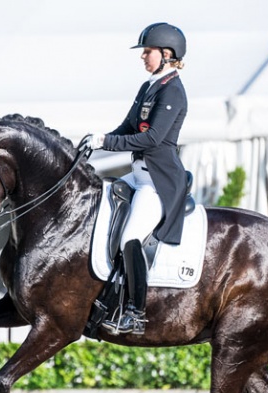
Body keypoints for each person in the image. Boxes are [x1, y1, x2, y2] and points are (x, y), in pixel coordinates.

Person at [80, 22, 189, 335]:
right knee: (96, 202)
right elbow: (128, 127)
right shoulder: (149, 87)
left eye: (148, 51)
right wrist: (97, 142)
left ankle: (134, 311)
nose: (143, 56)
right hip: (137, 175)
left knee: (130, 238)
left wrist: (107, 143)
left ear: (167, 54)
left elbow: (153, 139)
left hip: (157, 182)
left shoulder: (173, 91)